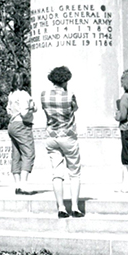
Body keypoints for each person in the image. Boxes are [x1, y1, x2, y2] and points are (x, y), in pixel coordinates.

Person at [40, 66, 84, 218]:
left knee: (57, 173)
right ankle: (75, 207)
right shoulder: (70, 95)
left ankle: (61, 207)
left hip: (51, 135)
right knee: (74, 173)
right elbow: (75, 109)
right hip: (68, 135)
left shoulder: (44, 95)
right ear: (65, 80)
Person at [6, 71, 37, 195]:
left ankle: (17, 184)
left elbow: (8, 111)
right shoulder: (24, 94)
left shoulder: (11, 94)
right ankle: (24, 184)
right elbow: (24, 113)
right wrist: (32, 109)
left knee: (16, 155)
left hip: (12, 124)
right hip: (22, 125)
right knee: (29, 153)